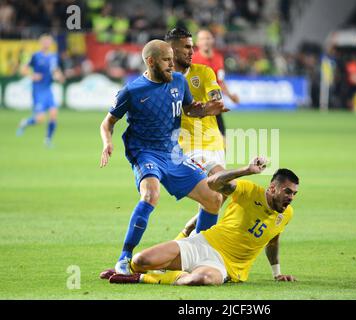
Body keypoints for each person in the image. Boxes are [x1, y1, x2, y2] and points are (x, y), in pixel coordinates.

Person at [99, 40, 228, 275]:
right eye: (166, 60)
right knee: (150, 195)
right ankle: (125, 258)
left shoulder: (179, 80)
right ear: (150, 61)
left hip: (173, 152)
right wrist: (108, 142)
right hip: (145, 152)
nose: (172, 65)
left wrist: (207, 110)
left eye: (172, 59)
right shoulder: (132, 91)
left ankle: (197, 253)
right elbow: (107, 123)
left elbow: (189, 109)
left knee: (214, 199)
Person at [105, 157, 298, 285]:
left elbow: (272, 241)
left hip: (225, 266)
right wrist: (246, 170)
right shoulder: (248, 191)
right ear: (272, 188)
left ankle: (146, 278)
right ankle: (131, 270)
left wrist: (277, 273)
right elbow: (212, 183)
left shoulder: (287, 214)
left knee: (203, 279)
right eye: (287, 192)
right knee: (141, 260)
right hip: (202, 243)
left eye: (294, 194)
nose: (291, 198)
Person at [164, 28, 227, 240]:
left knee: (218, 197)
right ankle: (198, 247)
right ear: (172, 50)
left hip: (214, 143)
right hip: (189, 145)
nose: (192, 51)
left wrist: (213, 103)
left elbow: (214, 93)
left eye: (193, 47)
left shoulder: (205, 72)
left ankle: (185, 237)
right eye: (187, 47)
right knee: (224, 186)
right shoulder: (163, 81)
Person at [16, 34, 65, 146]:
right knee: (40, 119)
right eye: (45, 41)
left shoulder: (53, 56)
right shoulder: (35, 56)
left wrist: (59, 76)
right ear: (41, 43)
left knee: (53, 114)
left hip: (48, 89)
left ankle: (48, 140)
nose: (47, 44)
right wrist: (32, 75)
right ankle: (25, 123)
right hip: (38, 90)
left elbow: (55, 70)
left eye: (49, 42)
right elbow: (23, 69)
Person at [192, 29, 239, 135]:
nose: (205, 41)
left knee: (222, 138)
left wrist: (231, 96)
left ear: (212, 40)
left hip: (213, 104)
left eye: (208, 38)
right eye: (202, 39)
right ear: (197, 42)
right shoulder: (192, 59)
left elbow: (220, 82)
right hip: (197, 106)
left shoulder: (218, 58)